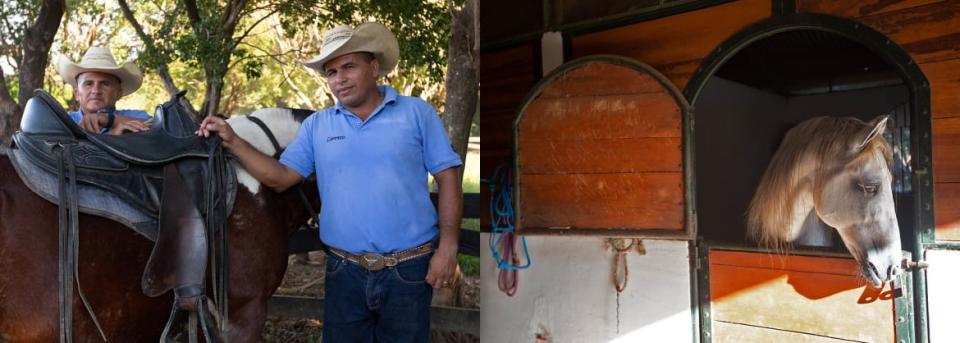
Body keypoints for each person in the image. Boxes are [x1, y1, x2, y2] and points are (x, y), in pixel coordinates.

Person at [197, 22, 462, 341]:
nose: (339, 79)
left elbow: (448, 178)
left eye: (349, 66)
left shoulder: (416, 114)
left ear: (374, 66)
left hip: (408, 269)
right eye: (332, 72)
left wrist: (448, 247)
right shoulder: (317, 126)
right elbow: (281, 179)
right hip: (344, 271)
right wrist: (233, 140)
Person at [56, 47, 149, 135]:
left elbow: (159, 127)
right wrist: (112, 139)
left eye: (105, 84)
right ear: (76, 94)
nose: (96, 90)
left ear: (119, 93)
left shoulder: (138, 116)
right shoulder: (60, 121)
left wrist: (109, 120)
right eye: (88, 84)